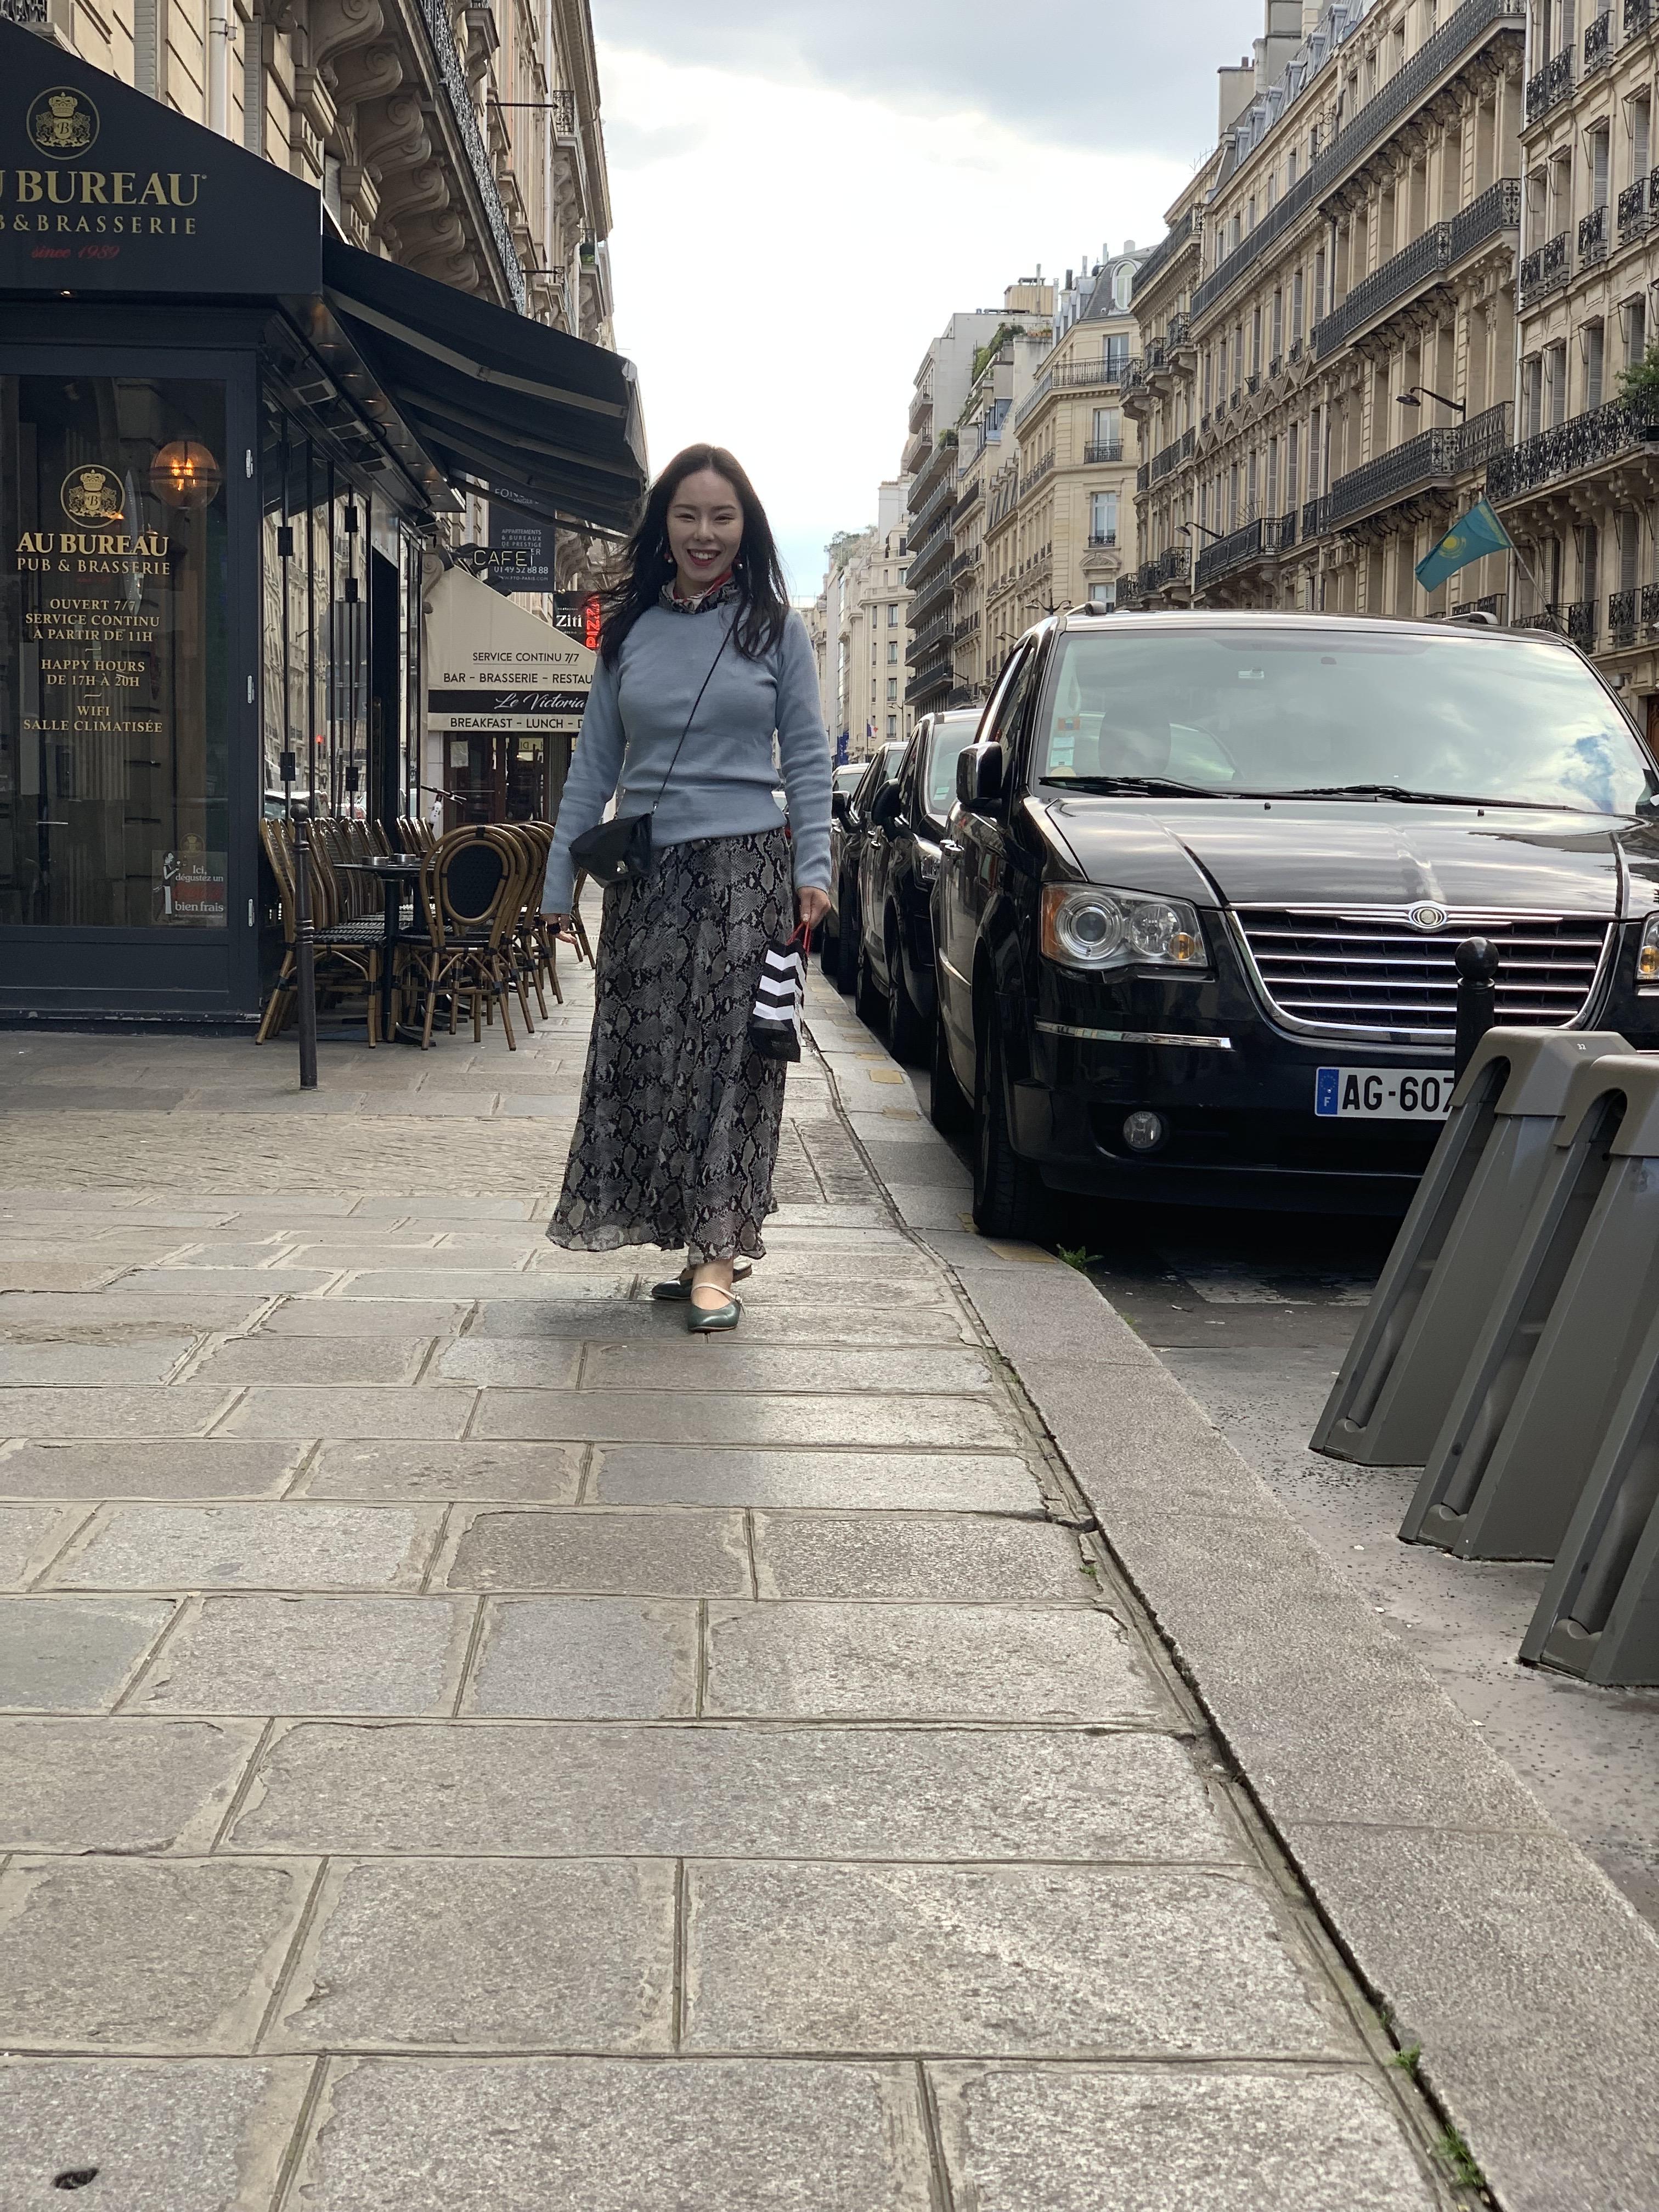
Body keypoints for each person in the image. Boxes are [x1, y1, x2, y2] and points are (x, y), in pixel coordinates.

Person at [540, 445, 832, 1333]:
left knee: (735, 1063)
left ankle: (716, 1257)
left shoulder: (776, 628)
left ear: (747, 529)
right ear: (663, 526)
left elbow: (808, 758)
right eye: (689, 515)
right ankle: (695, 1236)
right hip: (647, 882)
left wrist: (814, 870)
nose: (706, 533)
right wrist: (557, 886)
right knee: (653, 1060)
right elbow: (593, 765)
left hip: (747, 872)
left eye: (723, 517)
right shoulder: (627, 632)